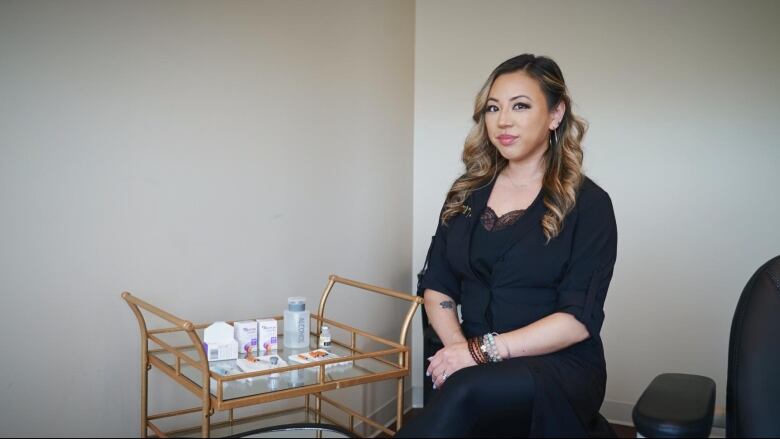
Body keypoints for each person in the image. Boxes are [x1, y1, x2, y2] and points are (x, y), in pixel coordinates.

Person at [397, 54, 618, 437]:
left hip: (556, 366)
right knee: (462, 385)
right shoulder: (466, 193)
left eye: (520, 106)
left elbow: (577, 320)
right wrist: (458, 350)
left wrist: (479, 354)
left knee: (465, 390)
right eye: (493, 108)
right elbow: (438, 286)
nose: (503, 121)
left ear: (555, 114)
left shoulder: (590, 205)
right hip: (472, 359)